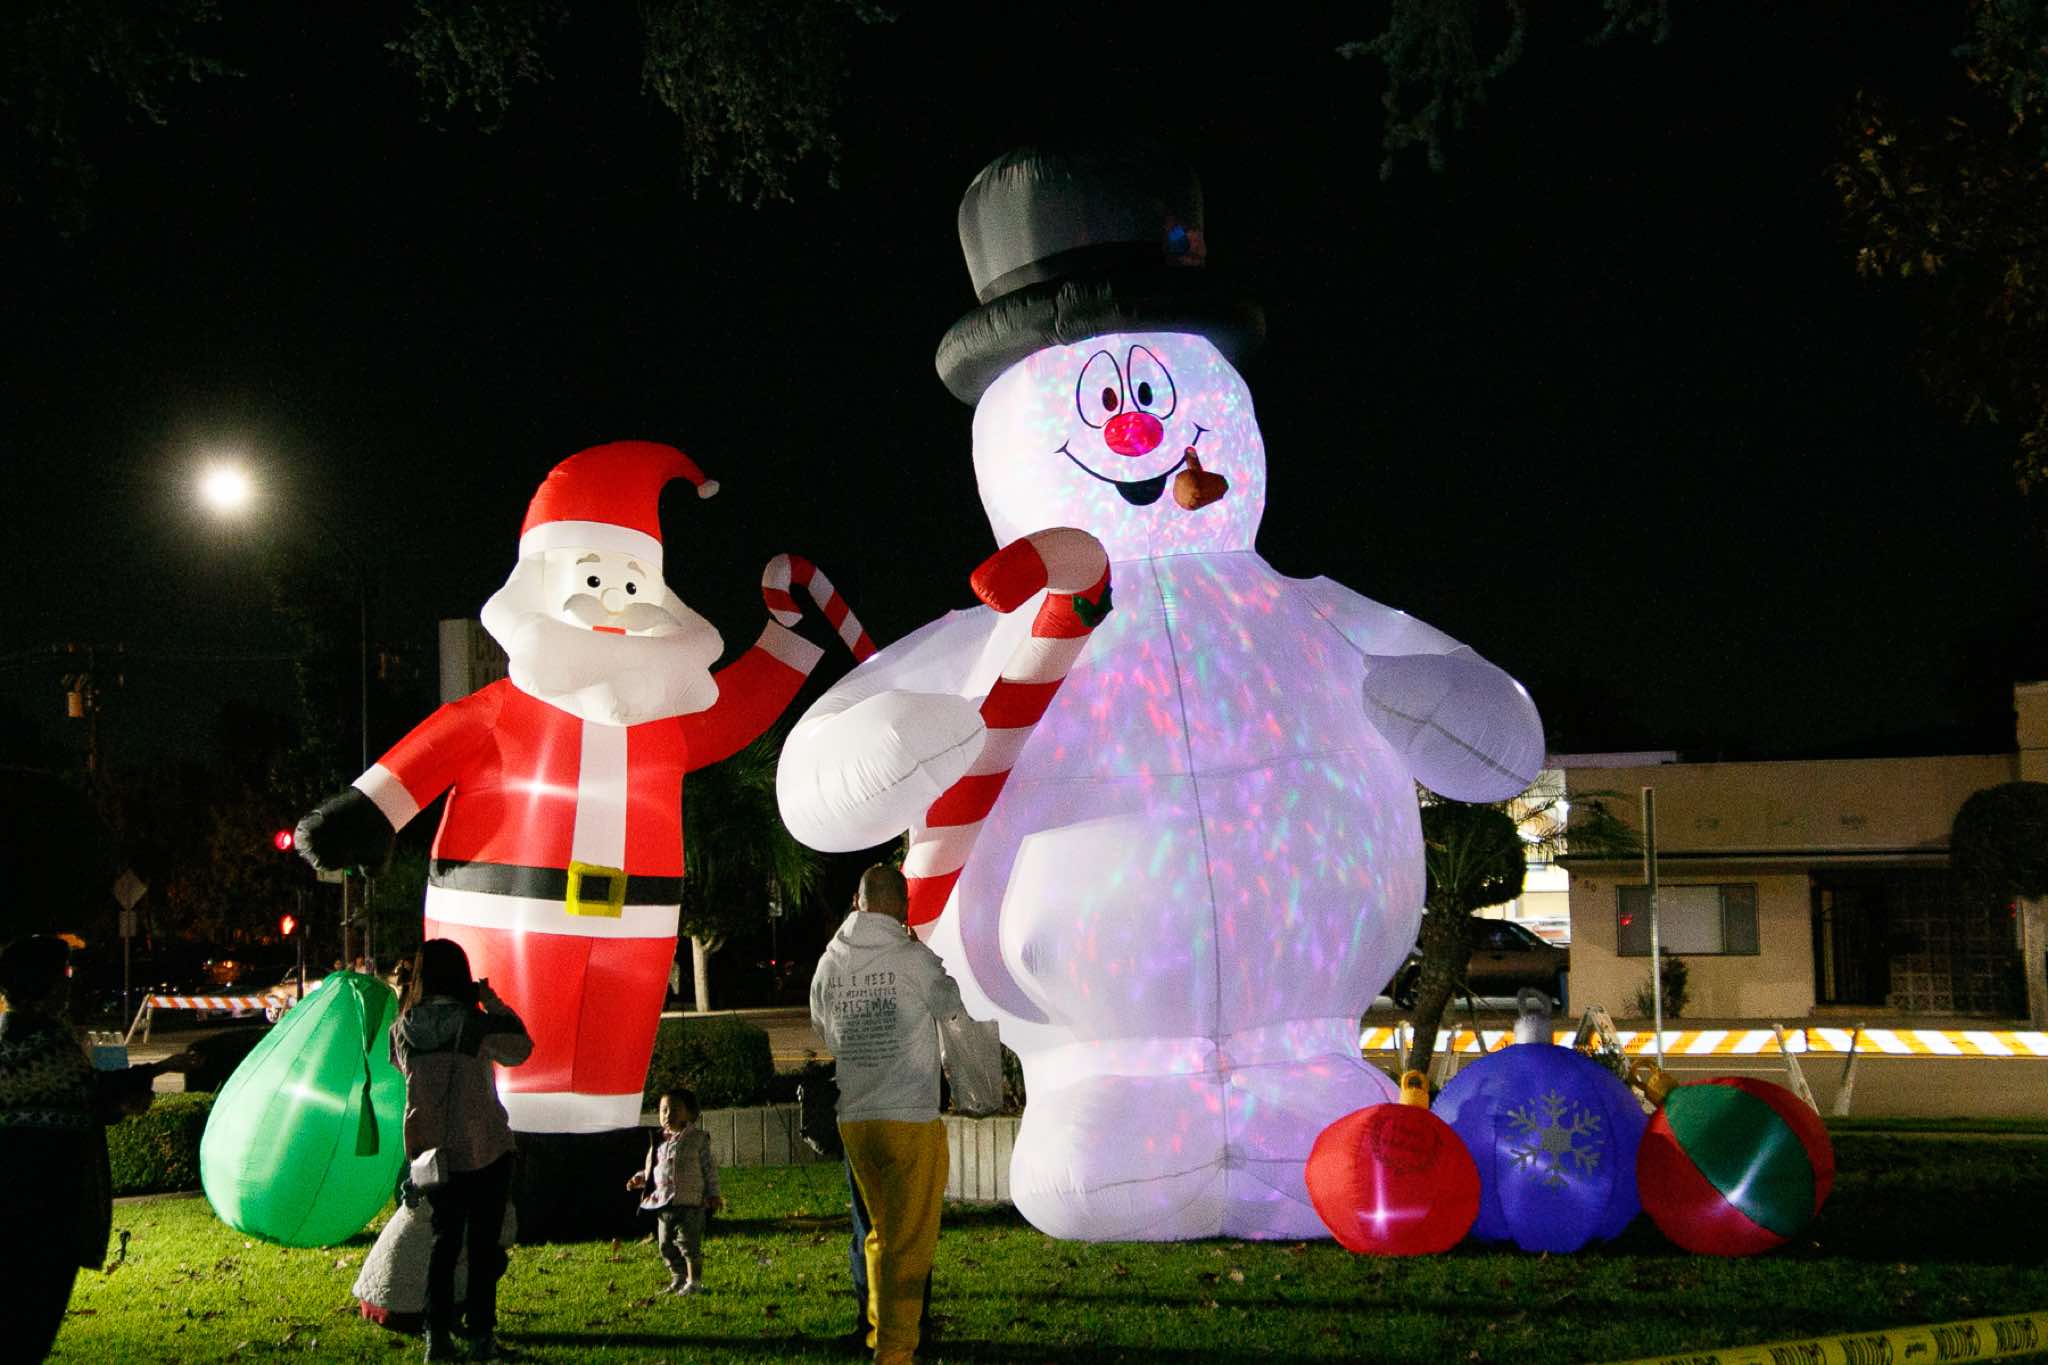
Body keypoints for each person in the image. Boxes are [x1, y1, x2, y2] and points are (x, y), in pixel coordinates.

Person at [0, 935, 194, 1361]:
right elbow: (95, 1096)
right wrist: (149, 1077)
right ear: (44, 984)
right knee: (29, 1327)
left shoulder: (17, 1037)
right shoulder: (47, 1045)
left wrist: (158, 1068)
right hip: (45, 1212)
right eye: (63, 975)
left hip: (30, 1211)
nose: (69, 986)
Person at [809, 865, 974, 1365]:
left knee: (879, 1233)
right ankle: (896, 1350)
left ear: (857, 903)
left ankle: (880, 1333)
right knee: (910, 1242)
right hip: (909, 1118)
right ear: (902, 907)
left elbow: (824, 1030)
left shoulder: (829, 964)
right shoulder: (914, 960)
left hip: (857, 1119)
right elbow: (955, 1015)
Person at [391, 938, 532, 1362]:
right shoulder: (473, 1024)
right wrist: (490, 1001)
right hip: (484, 1146)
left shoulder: (402, 1029)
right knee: (483, 1246)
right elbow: (520, 1048)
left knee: (443, 1243)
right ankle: (481, 1337)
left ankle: (436, 1338)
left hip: (432, 1152)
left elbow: (403, 1070)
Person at [624, 1087, 722, 1295]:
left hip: (691, 1203)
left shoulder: (698, 1139)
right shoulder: (659, 1142)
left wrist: (713, 1194)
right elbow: (654, 1169)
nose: (668, 1115)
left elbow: (709, 1169)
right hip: (664, 1204)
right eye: (664, 1110)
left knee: (688, 1244)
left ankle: (694, 1282)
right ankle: (678, 1278)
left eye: (675, 1110)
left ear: (690, 1113)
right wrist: (641, 1178)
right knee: (665, 1245)